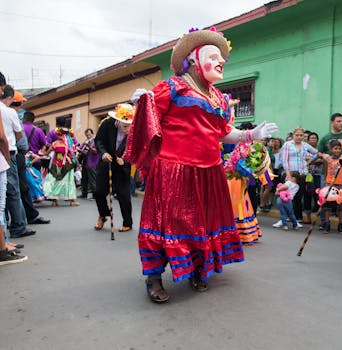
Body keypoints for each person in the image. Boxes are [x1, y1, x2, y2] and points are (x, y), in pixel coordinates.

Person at [125, 28, 277, 303]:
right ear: (194, 59)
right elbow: (148, 119)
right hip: (173, 170)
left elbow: (222, 132)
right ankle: (154, 277)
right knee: (165, 224)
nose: (221, 62)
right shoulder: (171, 87)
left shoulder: (219, 97)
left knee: (203, 224)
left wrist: (251, 135)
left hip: (209, 171)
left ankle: (198, 268)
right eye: (214, 56)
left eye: (222, 58)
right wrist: (143, 102)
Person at [0, 85, 36, 239]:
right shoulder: (9, 112)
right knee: (13, 192)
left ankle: (5, 228)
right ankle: (18, 227)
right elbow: (18, 136)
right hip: (9, 153)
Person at [0, 72, 27, 265]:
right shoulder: (8, 112)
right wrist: (7, 155)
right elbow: (12, 136)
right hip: (5, 153)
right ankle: (7, 240)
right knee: (9, 196)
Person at [93, 104, 134, 233]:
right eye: (125, 126)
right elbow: (98, 140)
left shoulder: (135, 128)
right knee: (99, 191)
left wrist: (126, 160)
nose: (128, 129)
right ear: (119, 121)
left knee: (123, 195)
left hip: (122, 165)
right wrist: (103, 153)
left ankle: (127, 222)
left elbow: (137, 149)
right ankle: (103, 215)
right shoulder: (107, 124)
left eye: (130, 125)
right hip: (107, 161)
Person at [318, 113, 342, 232]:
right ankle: (325, 223)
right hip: (326, 175)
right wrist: (324, 155)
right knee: (325, 199)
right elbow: (318, 152)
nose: (341, 123)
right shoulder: (325, 137)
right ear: (332, 122)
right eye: (338, 121)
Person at [279, 126, 318, 225]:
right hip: (290, 174)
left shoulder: (305, 145)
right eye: (297, 135)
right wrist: (287, 174)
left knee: (298, 196)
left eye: (301, 135)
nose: (299, 137)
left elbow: (316, 153)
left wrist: (309, 161)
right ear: (293, 135)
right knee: (287, 196)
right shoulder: (287, 145)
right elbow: (284, 160)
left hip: (302, 174)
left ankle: (297, 218)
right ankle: (284, 217)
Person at [44, 118, 80, 207]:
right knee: (69, 181)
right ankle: (72, 201)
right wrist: (78, 163)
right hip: (68, 164)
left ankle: (54, 201)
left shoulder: (55, 143)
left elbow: (47, 152)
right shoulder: (70, 144)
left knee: (54, 180)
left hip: (56, 163)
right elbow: (74, 152)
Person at [319, 139, 342, 233]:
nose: (337, 150)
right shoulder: (327, 159)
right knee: (327, 206)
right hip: (329, 184)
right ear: (330, 149)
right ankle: (326, 224)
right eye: (335, 148)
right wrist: (327, 183)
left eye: (339, 149)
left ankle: (341, 224)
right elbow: (326, 171)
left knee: (340, 206)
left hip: (339, 184)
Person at [78, 128, 98, 199]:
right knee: (84, 179)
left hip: (93, 163)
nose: (88, 136)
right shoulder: (86, 141)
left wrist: (89, 147)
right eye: (87, 135)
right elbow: (81, 149)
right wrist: (79, 150)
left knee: (93, 179)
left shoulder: (95, 141)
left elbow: (96, 151)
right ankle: (84, 194)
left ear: (92, 134)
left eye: (89, 135)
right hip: (85, 163)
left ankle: (95, 195)